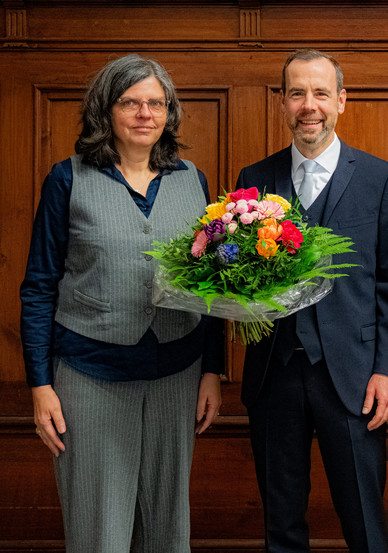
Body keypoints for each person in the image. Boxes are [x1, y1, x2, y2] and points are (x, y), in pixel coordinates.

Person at [19, 54, 223, 553]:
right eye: (130, 102)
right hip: (90, 375)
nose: (144, 114)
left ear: (169, 112)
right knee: (99, 528)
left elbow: (214, 285)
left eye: (155, 103)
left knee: (167, 525)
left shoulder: (191, 179)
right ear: (106, 111)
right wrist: (40, 384)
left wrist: (212, 370)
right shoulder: (68, 179)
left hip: (177, 373)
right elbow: (39, 285)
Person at [235, 49, 388, 553]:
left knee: (364, 523)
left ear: (341, 100)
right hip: (273, 374)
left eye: (319, 93)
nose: (308, 105)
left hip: (354, 377)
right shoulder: (254, 179)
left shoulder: (381, 179)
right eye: (296, 94)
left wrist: (386, 369)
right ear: (283, 102)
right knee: (281, 524)